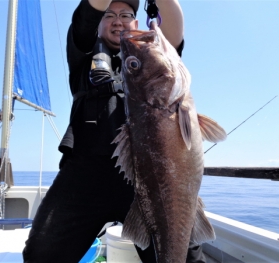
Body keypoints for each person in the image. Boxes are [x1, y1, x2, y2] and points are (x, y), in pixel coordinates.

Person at [23, 0, 206, 262]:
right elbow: (88, 12)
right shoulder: (83, 55)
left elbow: (175, 29)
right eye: (109, 15)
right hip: (82, 176)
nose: (118, 20)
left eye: (125, 15)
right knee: (41, 253)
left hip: (148, 178)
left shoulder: (153, 58)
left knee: (182, 251)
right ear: (98, 25)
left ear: (136, 23)